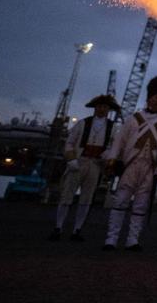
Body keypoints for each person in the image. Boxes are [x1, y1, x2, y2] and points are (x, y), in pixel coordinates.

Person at [103, 77, 157, 251]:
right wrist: (113, 159)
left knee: (141, 204)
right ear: (149, 97)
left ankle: (132, 240)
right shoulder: (134, 119)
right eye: (155, 95)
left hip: (150, 167)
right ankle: (111, 239)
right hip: (131, 164)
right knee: (120, 200)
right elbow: (119, 141)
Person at [51, 94, 119, 242]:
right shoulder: (82, 124)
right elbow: (69, 143)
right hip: (79, 161)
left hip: (95, 164)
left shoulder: (113, 127)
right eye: (100, 106)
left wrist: (107, 155)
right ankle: (58, 227)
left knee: (86, 199)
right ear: (95, 108)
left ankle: (77, 230)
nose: (102, 109)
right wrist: (71, 159)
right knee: (66, 196)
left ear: (109, 109)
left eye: (105, 107)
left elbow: (114, 147)